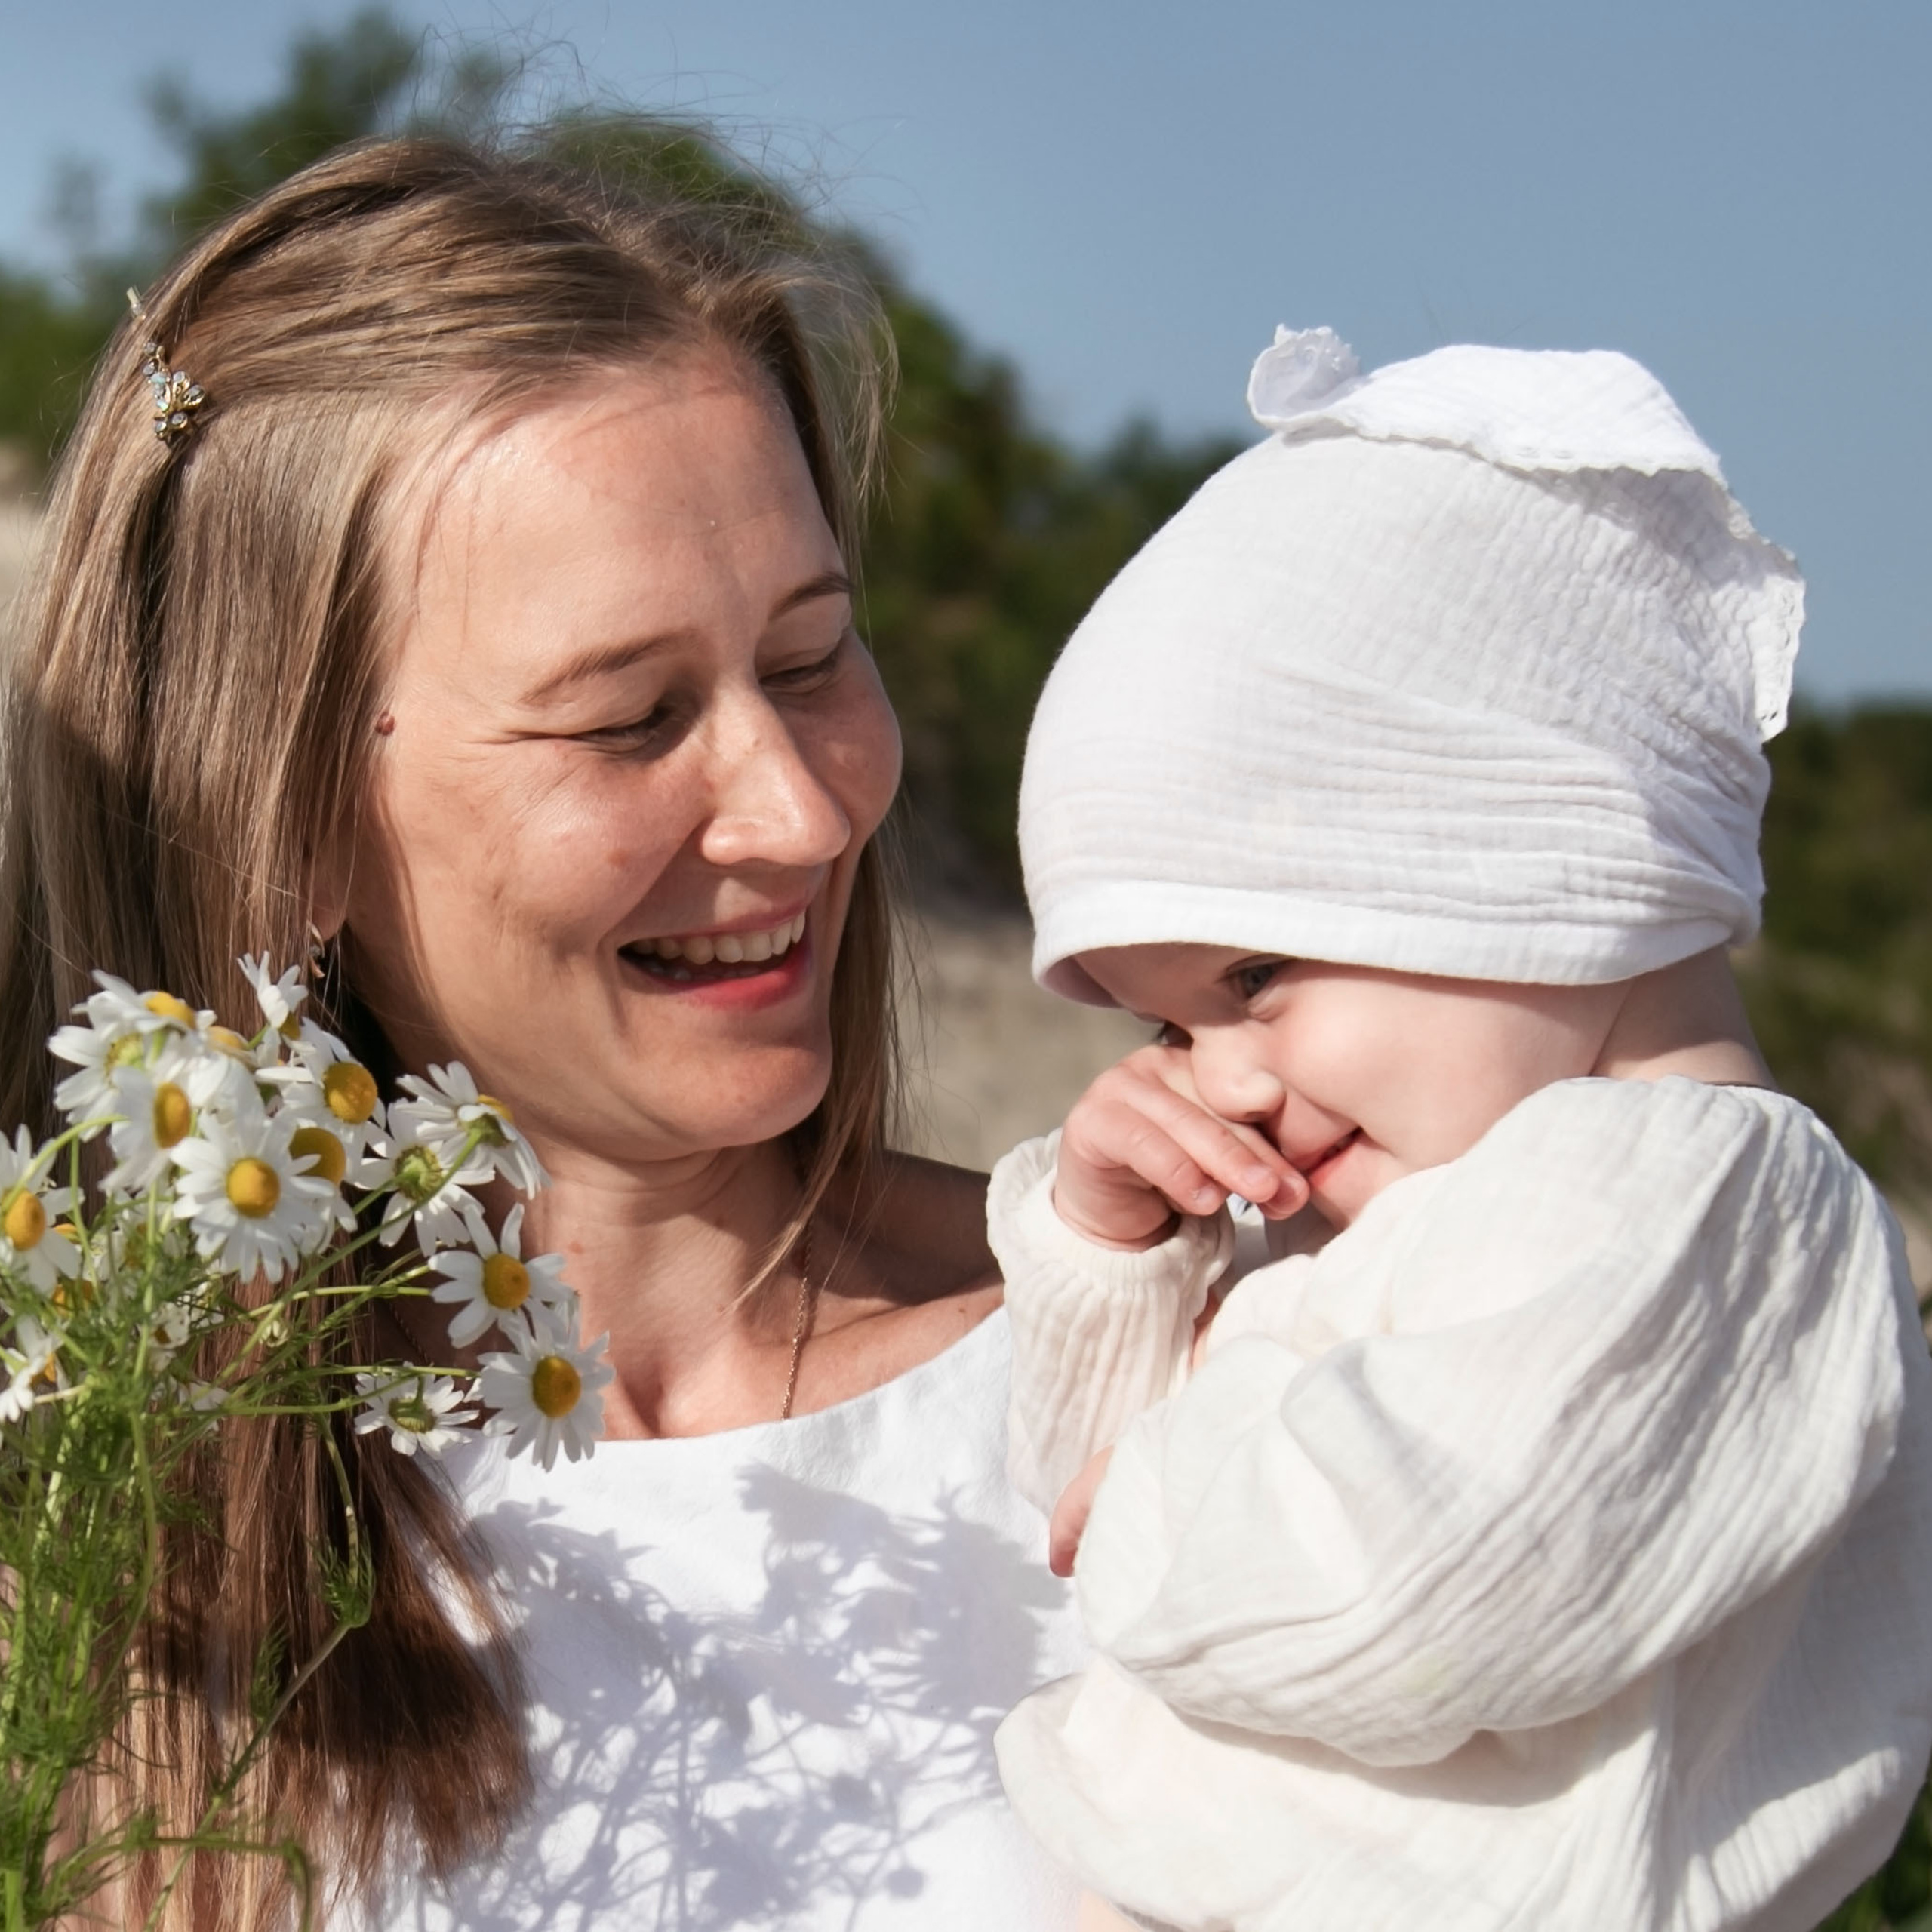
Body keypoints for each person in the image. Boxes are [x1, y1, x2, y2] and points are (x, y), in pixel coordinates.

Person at [0, 134, 1085, 1930]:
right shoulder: (107, 1571)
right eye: (630, 714)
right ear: (278, 812)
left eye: (812, 658)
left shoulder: (1174, 1366)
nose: (802, 813)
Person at [985, 328, 1932, 1930]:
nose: (1218, 1079)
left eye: (1256, 972)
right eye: (1166, 1026)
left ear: (1519, 853)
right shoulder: (1452, 1195)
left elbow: (1400, 1594)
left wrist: (1155, 1466)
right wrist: (1113, 1251)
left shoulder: (1705, 1203)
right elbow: (1075, 1501)